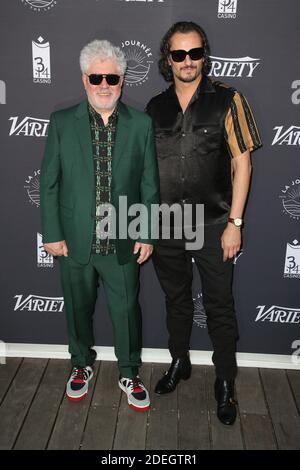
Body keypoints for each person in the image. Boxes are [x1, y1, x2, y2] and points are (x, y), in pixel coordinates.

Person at [146, 22, 262, 425]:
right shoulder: (154, 107)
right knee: (175, 301)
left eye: (195, 53)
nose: (188, 61)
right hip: (166, 223)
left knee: (219, 305)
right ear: (168, 59)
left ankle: (225, 382)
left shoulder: (229, 99)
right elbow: (146, 171)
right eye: (179, 55)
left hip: (214, 222)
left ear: (204, 56)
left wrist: (236, 222)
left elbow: (242, 163)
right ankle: (180, 362)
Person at [40, 39, 159, 411]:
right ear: (84, 79)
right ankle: (80, 365)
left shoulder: (141, 124)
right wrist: (53, 233)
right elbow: (49, 182)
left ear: (123, 80)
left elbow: (149, 184)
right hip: (75, 241)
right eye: (96, 77)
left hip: (121, 239)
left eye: (112, 77)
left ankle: (129, 371)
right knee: (77, 308)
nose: (104, 84)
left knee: (126, 312)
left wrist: (147, 232)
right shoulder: (62, 122)